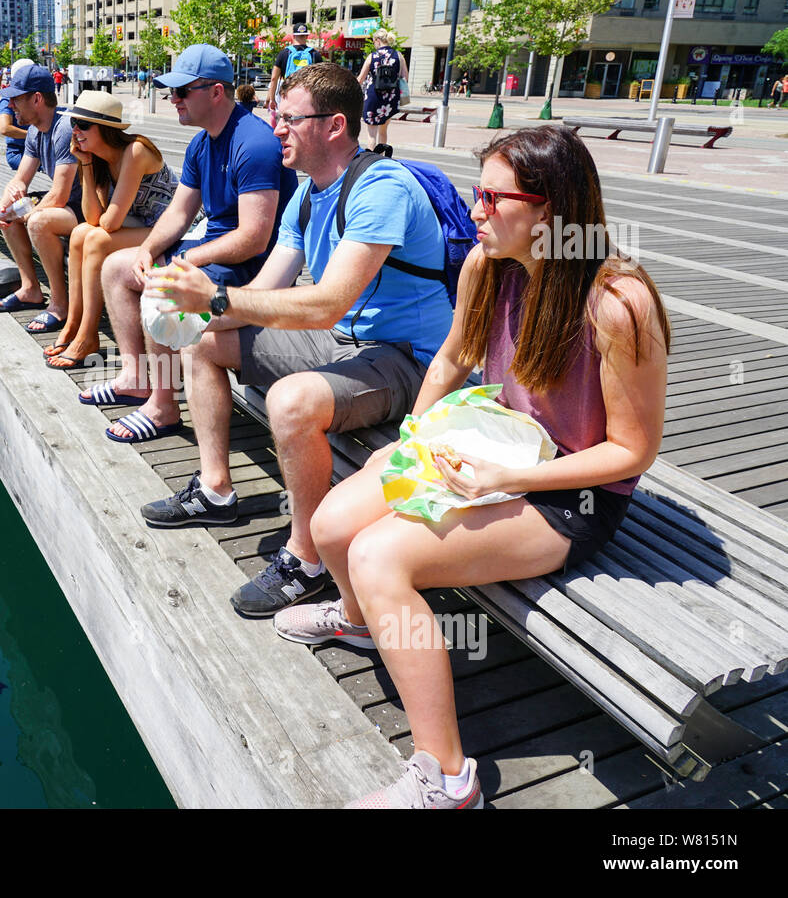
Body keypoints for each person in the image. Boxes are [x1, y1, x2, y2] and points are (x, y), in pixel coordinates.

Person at [271, 124, 670, 808]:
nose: (473, 211)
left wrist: (505, 480)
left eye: (491, 197)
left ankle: (447, 779)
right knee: (334, 524)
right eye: (474, 192)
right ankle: (363, 622)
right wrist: (414, 436)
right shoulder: (489, 266)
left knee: (378, 556)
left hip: (567, 494)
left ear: (550, 210)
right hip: (494, 445)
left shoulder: (617, 305)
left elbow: (630, 453)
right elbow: (453, 359)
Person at [139, 62, 451, 617]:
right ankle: (215, 490)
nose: (275, 128)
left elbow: (327, 301)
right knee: (203, 344)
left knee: (291, 402)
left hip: (407, 359)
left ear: (334, 126)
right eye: (274, 116)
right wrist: (187, 316)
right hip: (342, 340)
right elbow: (268, 289)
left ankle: (307, 560)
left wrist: (213, 298)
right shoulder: (307, 194)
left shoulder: (381, 186)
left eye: (289, 118)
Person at [87, 44, 297, 444]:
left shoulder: (254, 144)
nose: (173, 99)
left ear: (216, 92)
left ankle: (163, 407)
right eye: (172, 91)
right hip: (215, 255)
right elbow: (180, 213)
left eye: (182, 92)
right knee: (117, 267)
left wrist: (187, 259)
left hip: (252, 273)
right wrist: (149, 249)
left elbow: (254, 238)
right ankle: (135, 378)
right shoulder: (203, 142)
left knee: (161, 289)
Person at [44, 90, 177, 370]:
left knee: (95, 240)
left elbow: (110, 223)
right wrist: (87, 165)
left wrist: (102, 217)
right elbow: (93, 218)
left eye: (83, 125)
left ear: (105, 128)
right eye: (74, 124)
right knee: (81, 233)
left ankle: (88, 336)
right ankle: (74, 326)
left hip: (171, 228)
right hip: (142, 225)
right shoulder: (100, 159)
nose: (76, 131)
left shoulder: (135, 150)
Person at [0, 64, 82, 331]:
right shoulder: (34, 131)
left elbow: (61, 196)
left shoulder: (65, 128)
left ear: (37, 99)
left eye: (17, 99)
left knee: (37, 222)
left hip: (90, 207)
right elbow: (20, 179)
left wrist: (27, 212)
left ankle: (60, 304)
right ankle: (30, 288)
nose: (11, 105)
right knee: (9, 215)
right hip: (67, 203)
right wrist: (4, 207)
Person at [357, 29, 408, 148]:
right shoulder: (398, 55)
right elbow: (404, 78)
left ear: (377, 41)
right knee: (383, 131)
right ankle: (382, 157)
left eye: (374, 42)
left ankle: (371, 160)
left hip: (373, 96)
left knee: (371, 134)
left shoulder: (372, 56)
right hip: (390, 98)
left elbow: (360, 79)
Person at [267, 24, 322, 110]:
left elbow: (274, 78)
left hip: (288, 95)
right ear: (307, 36)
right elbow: (321, 79)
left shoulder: (284, 53)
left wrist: (272, 99)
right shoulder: (315, 54)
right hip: (307, 97)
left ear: (293, 36)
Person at [0, 58, 35, 170]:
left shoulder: (36, 95)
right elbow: (5, 128)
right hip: (19, 151)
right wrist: (34, 135)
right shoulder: (7, 100)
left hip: (38, 150)